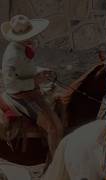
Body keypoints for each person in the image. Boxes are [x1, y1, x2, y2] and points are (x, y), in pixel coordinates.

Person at [1, 15, 63, 157]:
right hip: (20, 96)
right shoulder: (13, 55)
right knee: (54, 127)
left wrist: (41, 70)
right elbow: (10, 83)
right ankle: (56, 162)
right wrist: (35, 81)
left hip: (31, 90)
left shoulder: (21, 48)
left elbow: (26, 69)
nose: (33, 37)